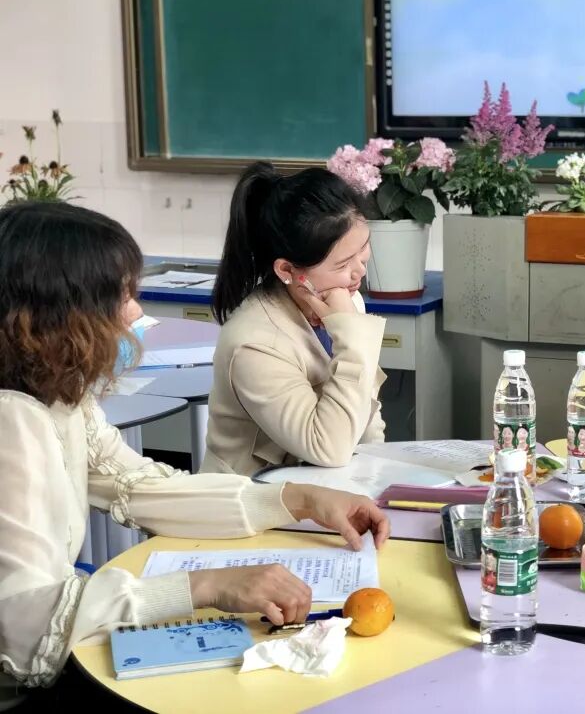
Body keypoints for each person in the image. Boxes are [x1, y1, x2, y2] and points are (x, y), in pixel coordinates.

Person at [0, 202, 390, 709]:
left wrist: (298, 500)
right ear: (56, 313)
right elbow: (28, 625)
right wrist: (206, 587)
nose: (135, 314)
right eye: (121, 296)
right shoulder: (12, 422)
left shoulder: (58, 397)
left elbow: (140, 484)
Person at [204, 162, 387, 476]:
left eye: (363, 249)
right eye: (343, 263)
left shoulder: (343, 300)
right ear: (287, 271)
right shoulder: (254, 343)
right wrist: (353, 336)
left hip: (327, 489)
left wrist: (379, 475)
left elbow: (366, 417)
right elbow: (328, 448)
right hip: (249, 497)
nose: (360, 271)